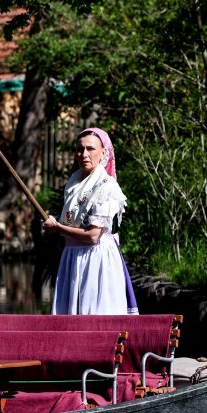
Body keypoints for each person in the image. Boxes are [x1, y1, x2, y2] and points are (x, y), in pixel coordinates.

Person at [41, 127, 138, 315]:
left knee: (94, 315)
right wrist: (55, 221)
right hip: (72, 256)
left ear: (103, 153)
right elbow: (72, 221)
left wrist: (58, 227)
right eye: (80, 149)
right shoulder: (74, 182)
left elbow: (93, 236)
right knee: (70, 318)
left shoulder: (107, 187)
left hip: (96, 260)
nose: (84, 154)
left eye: (90, 148)